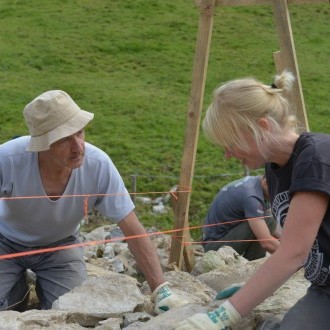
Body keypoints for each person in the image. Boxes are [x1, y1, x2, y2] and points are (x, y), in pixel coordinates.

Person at [0, 90, 186, 313]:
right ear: (44, 144)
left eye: (80, 133)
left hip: (60, 245)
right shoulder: (8, 160)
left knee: (71, 313)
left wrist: (161, 290)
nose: (78, 147)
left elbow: (132, 229)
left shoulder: (98, 165)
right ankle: (17, 290)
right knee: (8, 309)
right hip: (6, 243)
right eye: (65, 139)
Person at [175, 70, 330, 329]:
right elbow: (295, 243)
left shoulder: (315, 158)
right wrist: (255, 286)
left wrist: (223, 316)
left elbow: (294, 253)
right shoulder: (275, 168)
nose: (227, 154)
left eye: (231, 143)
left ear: (262, 127)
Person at [203, 175, 281, 261]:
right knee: (268, 220)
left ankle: (253, 264)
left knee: (269, 219)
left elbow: (273, 227)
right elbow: (267, 242)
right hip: (215, 249)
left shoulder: (256, 184)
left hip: (222, 239)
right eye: (278, 192)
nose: (278, 196)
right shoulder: (251, 197)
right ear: (266, 183)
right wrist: (293, 256)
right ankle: (254, 264)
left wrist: (291, 244)